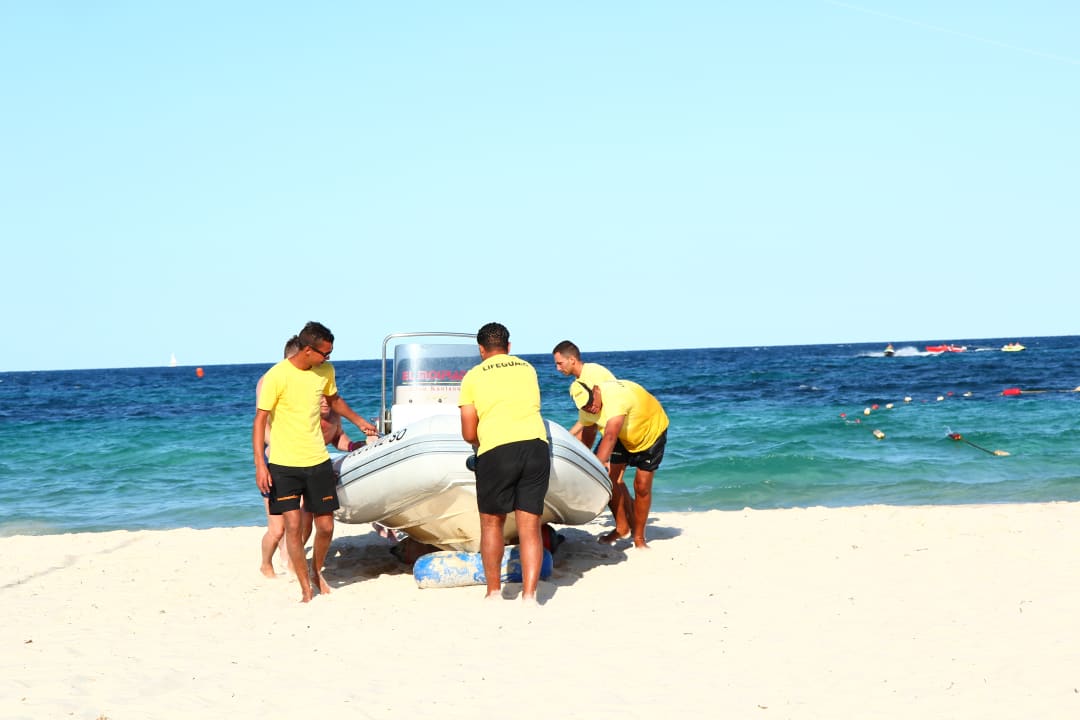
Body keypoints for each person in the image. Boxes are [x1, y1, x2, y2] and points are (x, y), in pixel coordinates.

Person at [253, 321, 379, 602]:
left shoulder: (325, 371)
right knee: (293, 528)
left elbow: (335, 401)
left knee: (326, 526)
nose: (328, 358)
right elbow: (260, 421)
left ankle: (314, 569)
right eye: (325, 353)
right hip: (284, 464)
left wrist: (358, 421)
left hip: (317, 461)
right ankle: (305, 587)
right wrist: (261, 465)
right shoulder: (277, 376)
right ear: (307, 350)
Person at [459, 322, 550, 604]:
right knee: (530, 526)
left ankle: (494, 592)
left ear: (481, 350)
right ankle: (530, 596)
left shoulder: (472, 376)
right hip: (536, 447)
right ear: (509, 347)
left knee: (491, 524)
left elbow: (468, 432)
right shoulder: (527, 368)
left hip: (497, 451)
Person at [570, 378, 669, 549]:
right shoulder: (586, 408)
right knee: (610, 480)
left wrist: (596, 468)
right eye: (585, 407)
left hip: (650, 432)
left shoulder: (614, 398)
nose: (590, 408)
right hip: (623, 435)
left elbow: (610, 436)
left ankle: (639, 538)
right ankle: (622, 528)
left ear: (596, 390)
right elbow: (587, 435)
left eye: (590, 403)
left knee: (641, 486)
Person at [257, 336, 301, 578]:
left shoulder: (302, 380)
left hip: (297, 456)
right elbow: (262, 423)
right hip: (274, 457)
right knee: (277, 527)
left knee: (298, 517)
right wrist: (275, 448)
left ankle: (290, 559)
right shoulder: (268, 381)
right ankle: (266, 563)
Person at [552, 340, 616, 447]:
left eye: (560, 363)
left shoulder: (593, 372)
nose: (558, 368)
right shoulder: (578, 384)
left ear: (572, 360)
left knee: (601, 461)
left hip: (620, 431)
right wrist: (564, 439)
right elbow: (585, 420)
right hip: (609, 432)